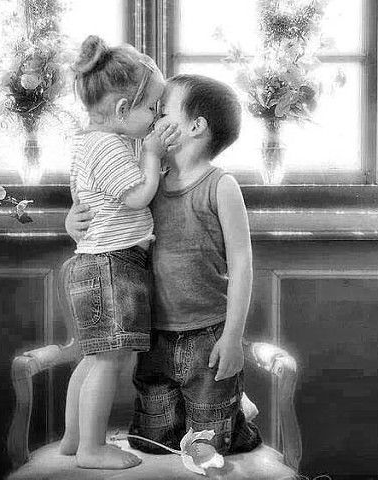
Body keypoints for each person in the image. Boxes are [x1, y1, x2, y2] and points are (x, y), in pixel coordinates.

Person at [65, 73, 262, 459]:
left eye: (163, 112)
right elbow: (102, 209)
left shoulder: (221, 186)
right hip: (155, 337)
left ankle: (235, 410)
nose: (154, 120)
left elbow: (242, 265)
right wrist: (72, 219)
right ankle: (227, 406)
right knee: (152, 441)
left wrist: (232, 337)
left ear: (196, 126)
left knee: (212, 445)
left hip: (207, 334)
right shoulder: (148, 183)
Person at [58, 35, 179, 470]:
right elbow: (138, 195)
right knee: (110, 361)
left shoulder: (91, 141)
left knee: (95, 357)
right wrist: (153, 154)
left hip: (97, 263)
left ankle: (74, 438)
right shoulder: (109, 146)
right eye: (153, 107)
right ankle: (92, 448)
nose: (157, 117)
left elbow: (86, 197)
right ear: (124, 109)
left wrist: (148, 151)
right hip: (113, 265)